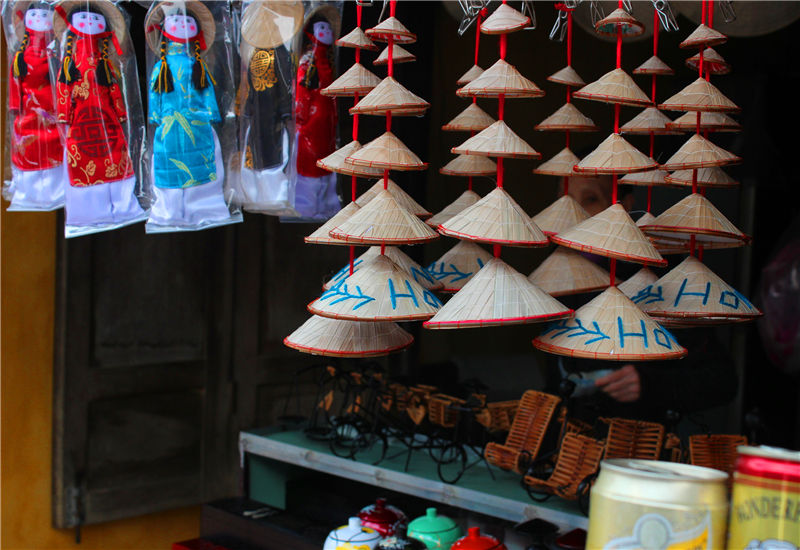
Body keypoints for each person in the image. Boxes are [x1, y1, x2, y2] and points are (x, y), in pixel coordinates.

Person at [545, 174, 738, 423]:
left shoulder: (660, 279)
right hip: (569, 446)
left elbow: (721, 380)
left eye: (590, 199)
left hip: (636, 446)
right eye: (565, 199)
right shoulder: (555, 273)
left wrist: (648, 384)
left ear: (625, 206)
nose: (573, 212)